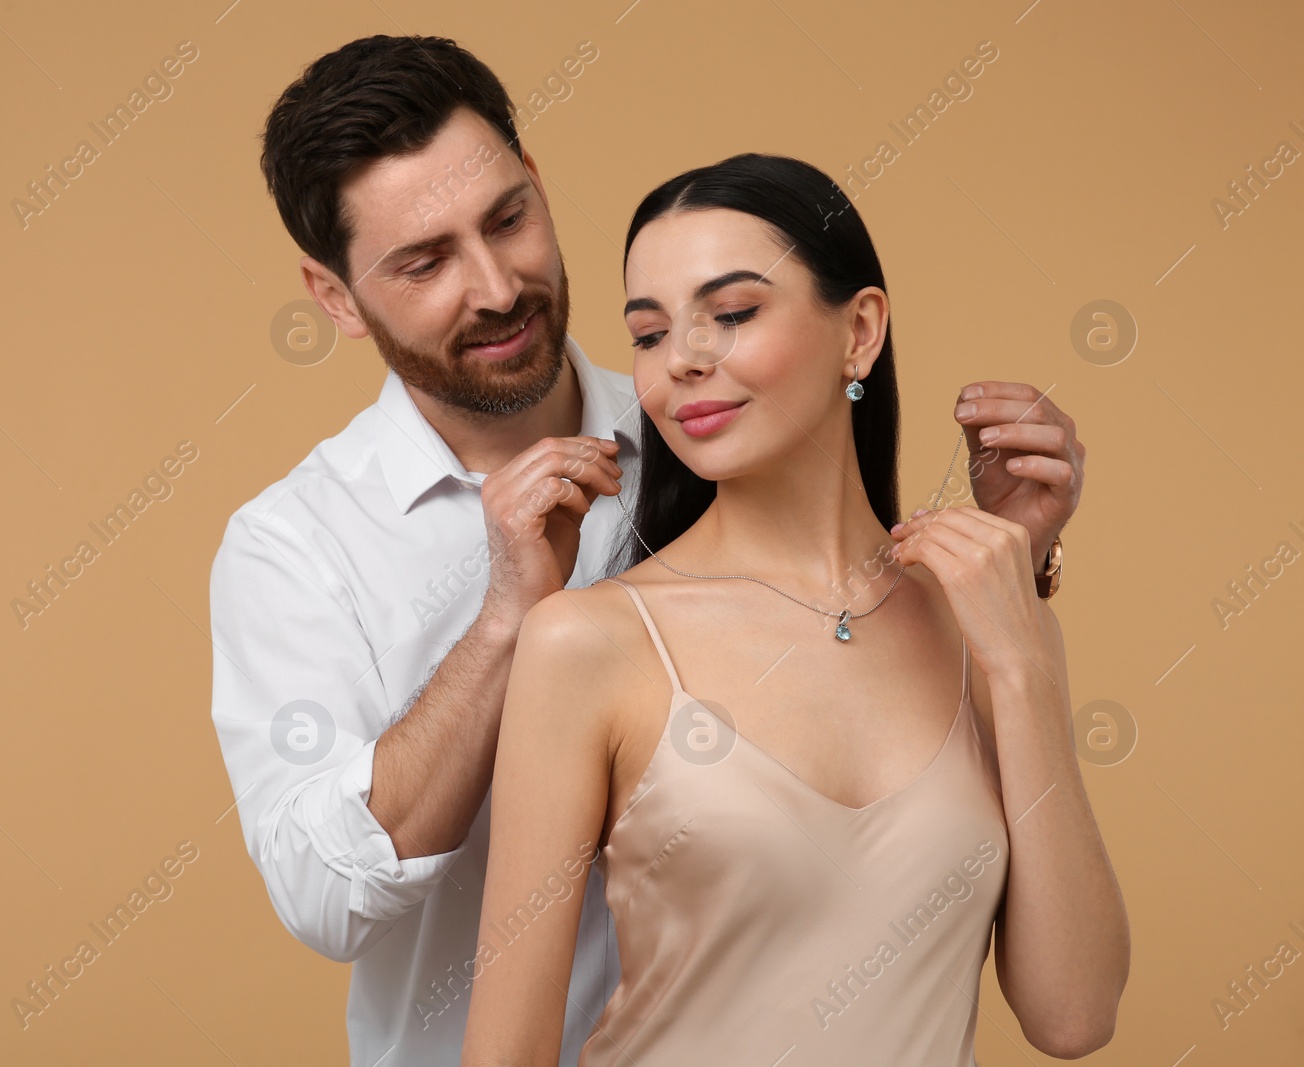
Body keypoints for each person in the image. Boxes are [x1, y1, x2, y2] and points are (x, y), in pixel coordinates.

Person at [210, 35, 1089, 1067]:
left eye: (506, 219)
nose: (495, 287)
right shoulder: (297, 547)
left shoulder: (714, 419)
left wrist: (1016, 576)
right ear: (334, 298)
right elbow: (326, 897)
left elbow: (856, 637)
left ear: (537, 184)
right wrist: (506, 623)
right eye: (424, 261)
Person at [459, 153, 1128, 1066]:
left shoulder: (984, 617)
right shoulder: (591, 641)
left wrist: (1025, 658)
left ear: (860, 330)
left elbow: (1074, 1015)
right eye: (649, 335)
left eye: (732, 314)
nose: (684, 360)